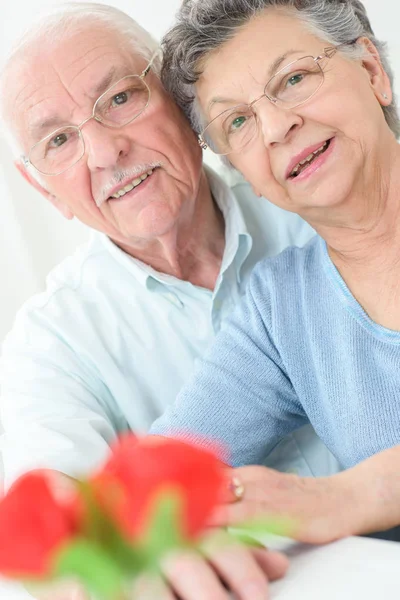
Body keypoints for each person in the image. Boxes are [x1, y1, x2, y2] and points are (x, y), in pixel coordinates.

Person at [0, 2, 341, 598]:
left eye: (121, 99)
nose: (106, 153)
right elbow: (57, 530)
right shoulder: (50, 342)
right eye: (59, 140)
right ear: (41, 188)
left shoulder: (312, 195)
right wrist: (121, 563)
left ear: (182, 100)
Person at [150, 0, 400, 543]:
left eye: (293, 78)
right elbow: (163, 478)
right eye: (238, 121)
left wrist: (351, 497)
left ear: (373, 72)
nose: (276, 127)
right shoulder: (281, 306)